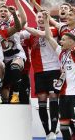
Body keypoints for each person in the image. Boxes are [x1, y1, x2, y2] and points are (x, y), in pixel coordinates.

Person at [43, 10, 75, 140]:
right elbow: (49, 37)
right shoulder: (61, 53)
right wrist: (46, 21)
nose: (60, 42)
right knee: (63, 126)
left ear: (71, 42)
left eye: (63, 40)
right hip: (63, 94)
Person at [22, 11, 61, 140]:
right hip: (39, 71)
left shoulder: (54, 30)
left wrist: (25, 26)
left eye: (43, 17)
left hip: (54, 69)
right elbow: (19, 35)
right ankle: (47, 133)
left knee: (53, 96)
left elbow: (41, 34)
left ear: (48, 18)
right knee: (42, 100)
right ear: (35, 19)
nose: (40, 19)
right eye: (38, 17)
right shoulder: (29, 34)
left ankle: (54, 131)